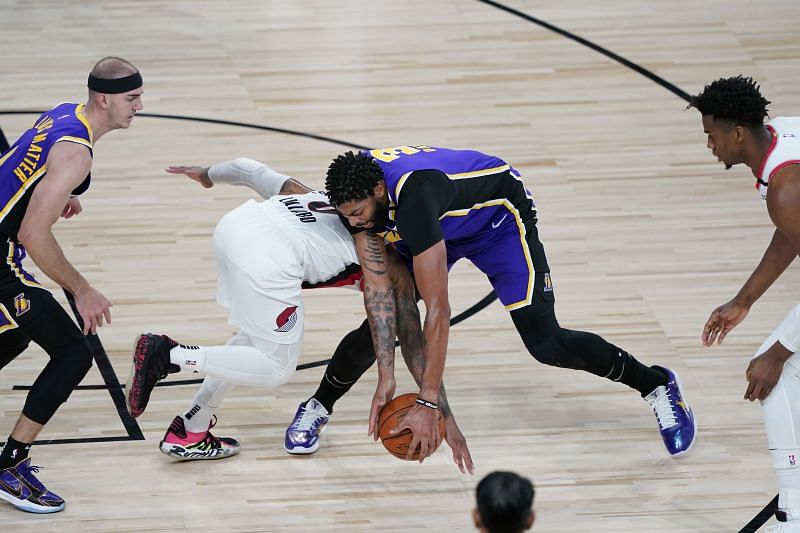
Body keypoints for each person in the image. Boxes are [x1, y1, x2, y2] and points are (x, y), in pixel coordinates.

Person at [313, 145, 696, 462]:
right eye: (347, 217)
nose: (356, 224)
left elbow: (438, 311)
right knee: (384, 317)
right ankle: (318, 406)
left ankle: (657, 384)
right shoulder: (355, 199)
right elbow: (382, 297)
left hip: (496, 219)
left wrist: (431, 402)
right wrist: (387, 376)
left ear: (380, 190)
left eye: (359, 214)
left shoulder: (413, 199)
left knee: (547, 343)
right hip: (437, 223)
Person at [125, 157, 472, 471]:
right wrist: (439, 410)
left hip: (236, 225)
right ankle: (170, 355)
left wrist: (207, 174)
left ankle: (191, 429)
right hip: (269, 257)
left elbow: (251, 170)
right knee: (276, 367)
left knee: (253, 338)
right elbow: (412, 342)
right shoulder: (391, 265)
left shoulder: (317, 194)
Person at [0, 57, 143, 513]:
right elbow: (32, 235)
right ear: (105, 98)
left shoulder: (65, 112)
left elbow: (20, 163)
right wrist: (82, 288)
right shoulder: (76, 153)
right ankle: (10, 465)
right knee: (73, 353)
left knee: (17, 330)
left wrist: (60, 195)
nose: (140, 105)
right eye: (132, 98)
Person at [691, 75, 800, 532]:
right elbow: (791, 232)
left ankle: (793, 517)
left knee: (772, 376)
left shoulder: (785, 189)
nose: (710, 145)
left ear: (737, 133)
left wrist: (778, 352)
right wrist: (744, 300)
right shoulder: (784, 135)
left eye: (711, 136)